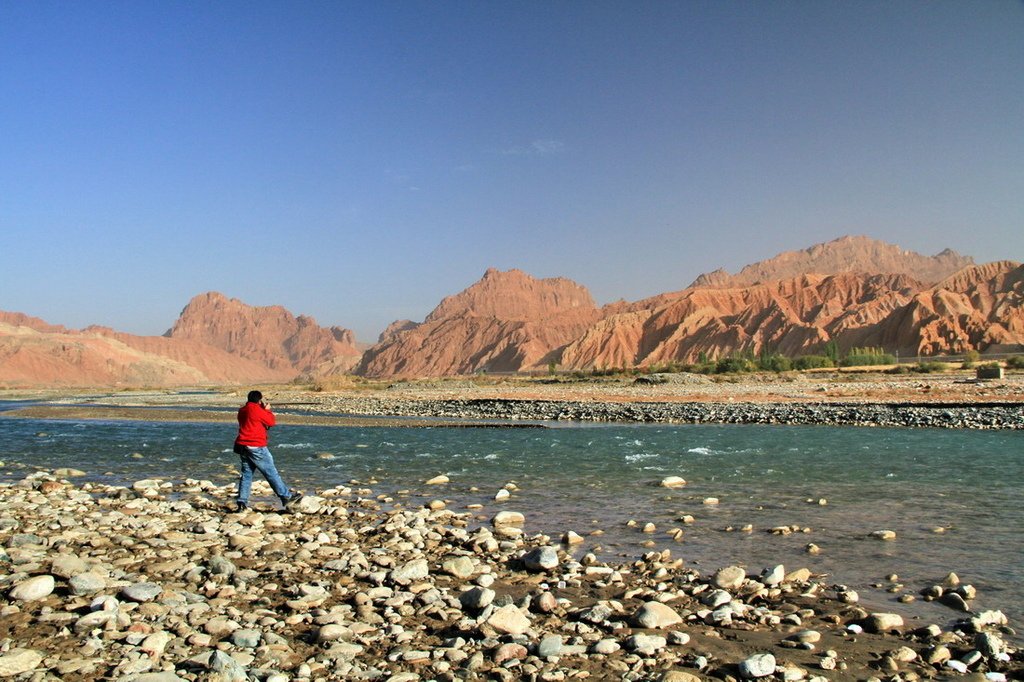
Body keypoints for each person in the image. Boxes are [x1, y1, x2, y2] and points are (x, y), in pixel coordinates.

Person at [233, 390, 302, 512]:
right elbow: (271, 422)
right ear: (259, 400)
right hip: (256, 446)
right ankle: (286, 496)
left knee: (246, 475)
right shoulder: (257, 410)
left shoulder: (242, 410)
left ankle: (242, 503)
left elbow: (251, 420)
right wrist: (267, 410)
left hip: (242, 445)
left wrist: (263, 410)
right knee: (271, 472)